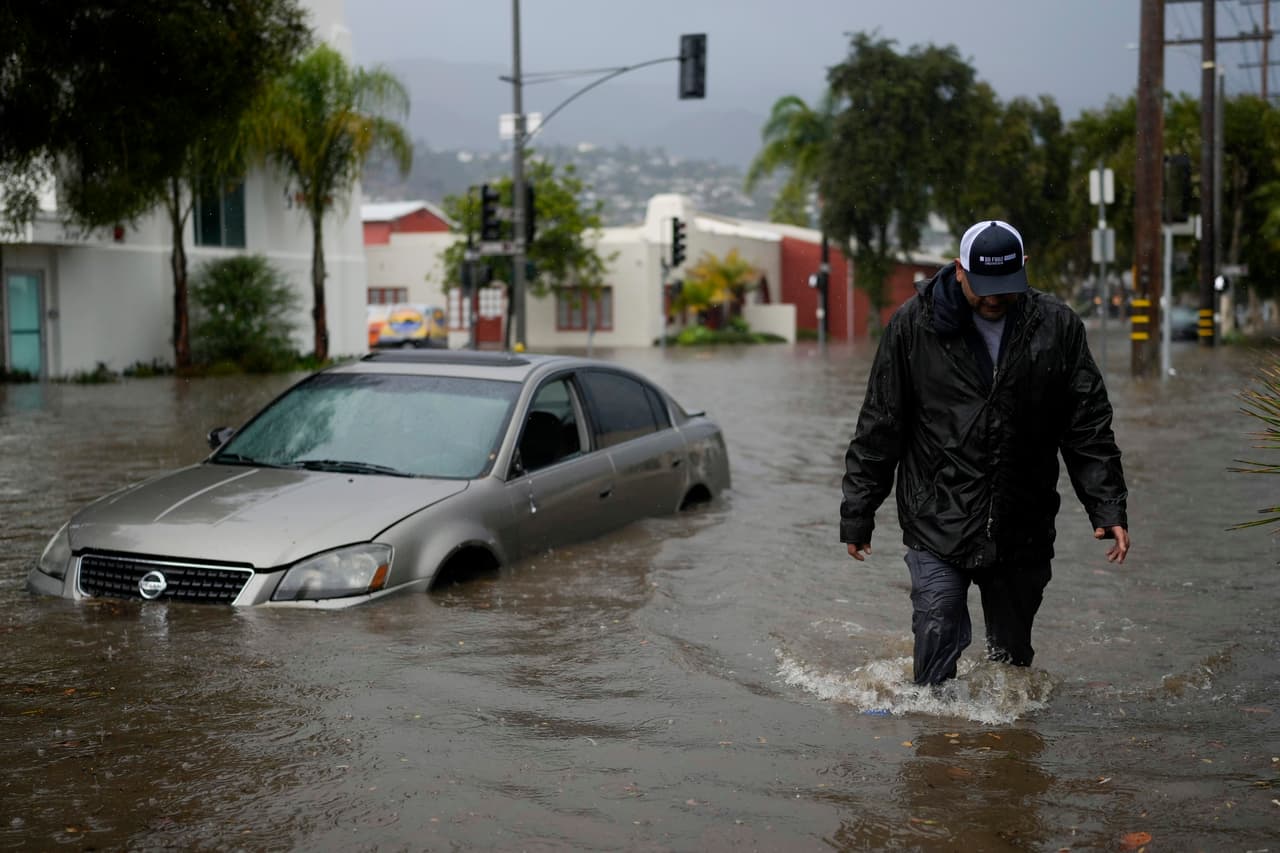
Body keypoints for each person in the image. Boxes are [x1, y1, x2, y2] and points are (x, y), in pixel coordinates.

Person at [839, 220, 1130, 686]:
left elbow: (1086, 425)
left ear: (1024, 269)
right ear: (959, 270)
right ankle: (934, 740)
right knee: (937, 629)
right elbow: (880, 424)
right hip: (937, 513)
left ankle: (1004, 752)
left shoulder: (1056, 326)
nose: (994, 298)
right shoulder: (914, 326)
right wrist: (858, 512)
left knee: (1011, 666)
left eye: (1005, 286)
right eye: (983, 286)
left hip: (1022, 520)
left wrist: (1107, 504)